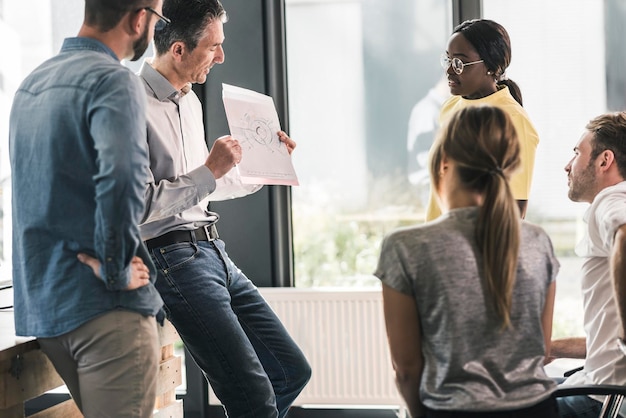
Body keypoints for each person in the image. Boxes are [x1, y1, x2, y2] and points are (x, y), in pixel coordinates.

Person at [137, 0, 311, 416]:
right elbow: (139, 205)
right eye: (213, 47)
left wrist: (267, 164)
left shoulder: (190, 102)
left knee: (290, 371)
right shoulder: (130, 103)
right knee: (254, 399)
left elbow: (202, 188)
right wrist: (209, 170)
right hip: (172, 257)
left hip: (213, 251)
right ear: (178, 49)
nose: (221, 56)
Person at [9, 1, 166, 416]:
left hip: (48, 310)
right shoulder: (114, 80)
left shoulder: (30, 85)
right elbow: (122, 181)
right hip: (105, 310)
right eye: (158, 19)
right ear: (138, 18)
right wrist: (114, 269)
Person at [376, 106, 559, 417]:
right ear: (511, 165)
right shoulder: (538, 241)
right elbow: (540, 350)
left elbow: (406, 369)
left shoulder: (406, 247)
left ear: (443, 161)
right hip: (537, 409)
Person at [549, 112, 626, 417]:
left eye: (576, 153)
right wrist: (552, 349)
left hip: (601, 400)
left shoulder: (610, 200)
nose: (567, 165)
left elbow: (624, 233)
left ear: (604, 160)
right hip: (601, 387)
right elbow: (606, 341)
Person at [426, 19, 539, 221]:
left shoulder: (513, 120)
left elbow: (514, 211)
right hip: (437, 236)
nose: (450, 70)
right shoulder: (450, 107)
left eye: (459, 63)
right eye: (448, 60)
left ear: (491, 67)